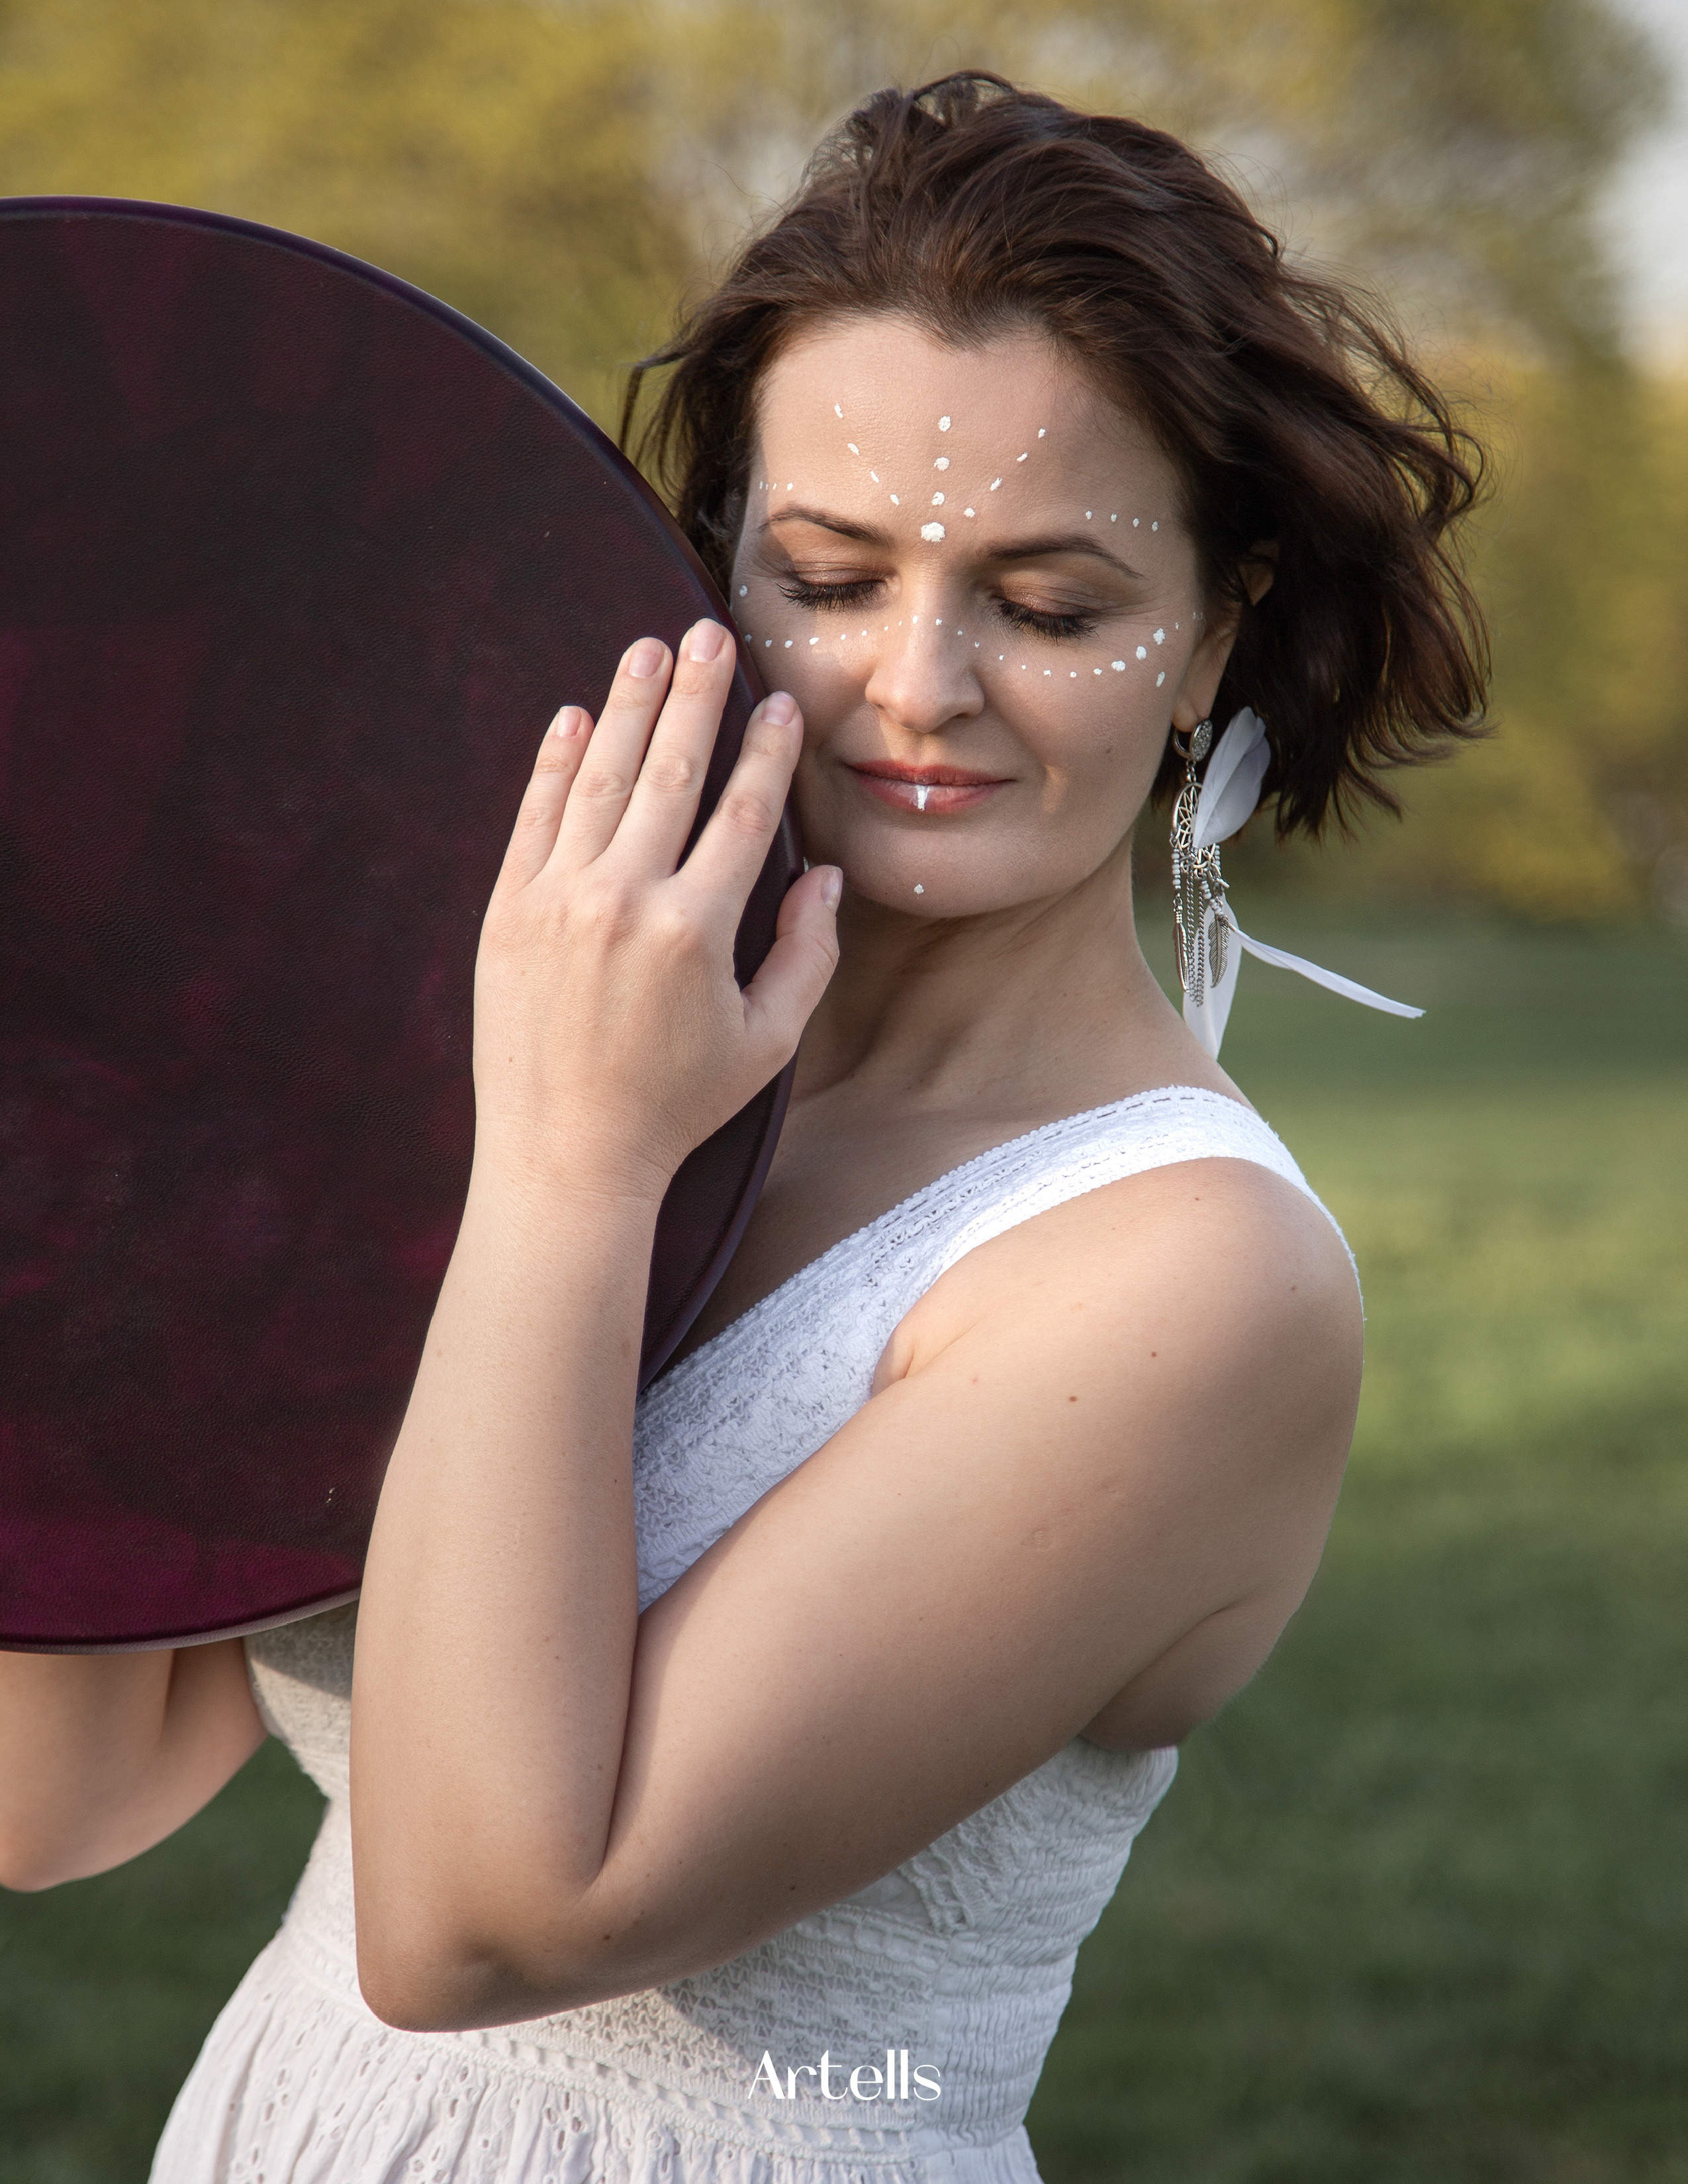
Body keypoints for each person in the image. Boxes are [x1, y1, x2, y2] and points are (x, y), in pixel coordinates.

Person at [0, 71, 1485, 2183]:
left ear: (1213, 635)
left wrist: (571, 1164)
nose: (918, 684)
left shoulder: (1192, 1279)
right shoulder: (544, 1025)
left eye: (1051, 604)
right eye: (828, 575)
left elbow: (485, 1913)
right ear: (709, 573)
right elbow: (65, 1795)